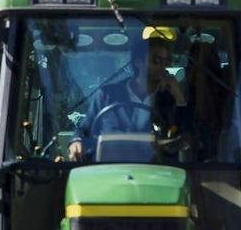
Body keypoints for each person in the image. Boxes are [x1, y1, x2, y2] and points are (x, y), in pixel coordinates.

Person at [69, 26, 185, 161]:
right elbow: (84, 130)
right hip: (108, 171)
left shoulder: (168, 100)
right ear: (138, 62)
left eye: (166, 62)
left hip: (155, 171)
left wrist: (179, 96)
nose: (162, 67)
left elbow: (184, 137)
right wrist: (76, 141)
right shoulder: (107, 96)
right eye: (156, 60)